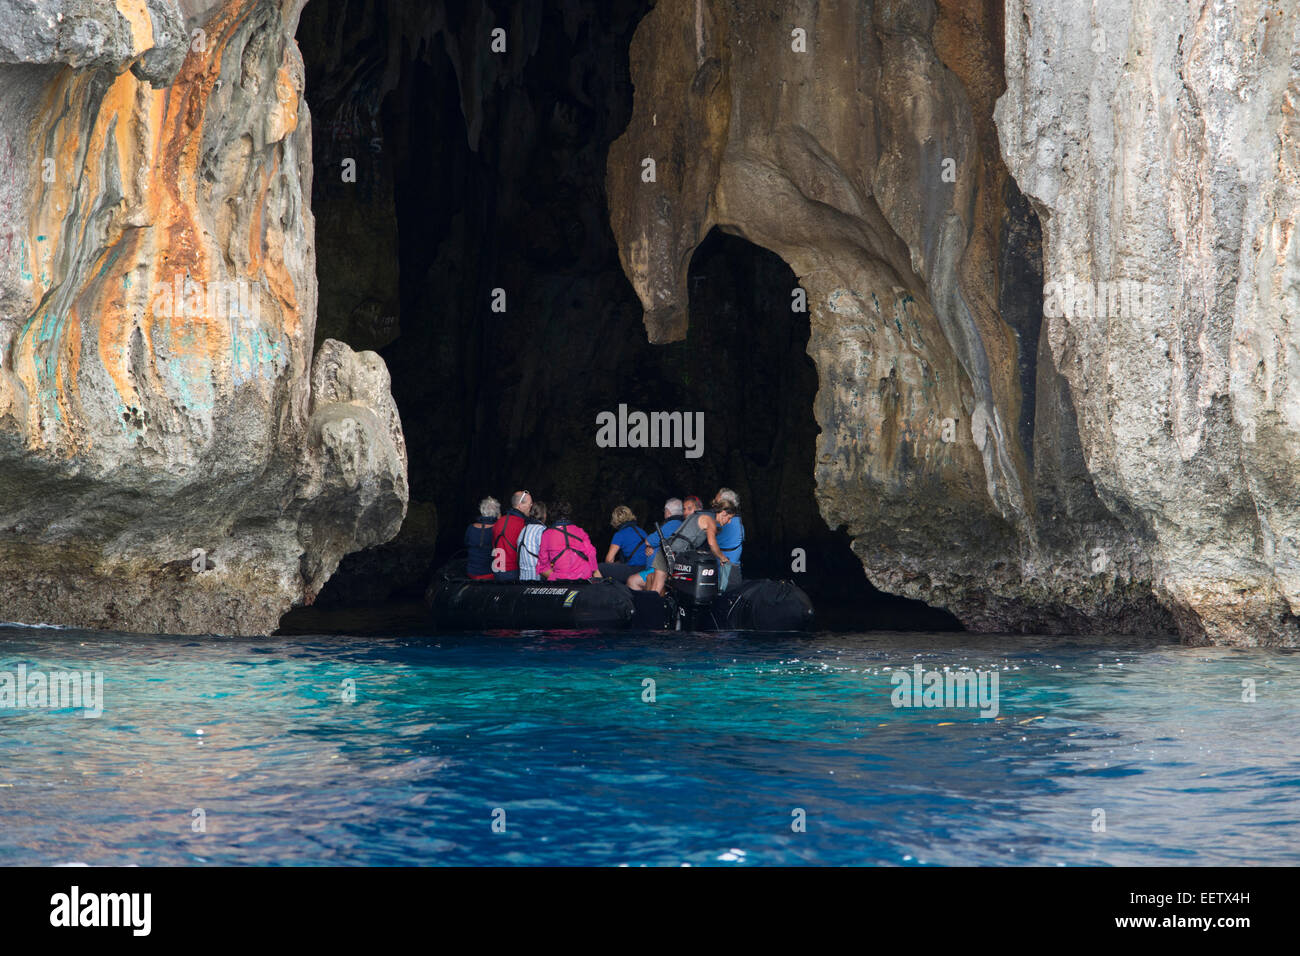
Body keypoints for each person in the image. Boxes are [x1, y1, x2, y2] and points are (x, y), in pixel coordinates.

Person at [648, 499, 728, 595]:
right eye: (730, 517)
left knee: (656, 588)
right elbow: (712, 543)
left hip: (666, 548)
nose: (729, 521)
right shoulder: (709, 519)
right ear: (723, 513)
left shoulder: (695, 516)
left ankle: (650, 607)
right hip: (675, 554)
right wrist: (723, 558)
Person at [538, 500, 600, 581]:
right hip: (584, 577)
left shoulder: (547, 535)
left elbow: (542, 566)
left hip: (561, 580)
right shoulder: (580, 531)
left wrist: (556, 577)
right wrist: (595, 572)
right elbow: (591, 553)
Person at [636, 498, 685, 589]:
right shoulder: (682, 523)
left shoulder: (672, 524)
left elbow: (648, 541)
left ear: (668, 512)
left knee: (632, 581)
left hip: (660, 569)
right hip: (664, 568)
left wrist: (650, 545)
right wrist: (651, 547)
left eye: (665, 511)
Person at [599, 505, 649, 583]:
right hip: (646, 569)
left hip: (634, 570)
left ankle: (603, 593)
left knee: (599, 568)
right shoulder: (642, 532)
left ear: (615, 520)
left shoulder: (620, 534)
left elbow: (609, 559)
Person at [490, 489, 532, 581]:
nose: (531, 507)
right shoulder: (522, 524)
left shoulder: (499, 521)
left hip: (496, 570)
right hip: (512, 572)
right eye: (530, 504)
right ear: (520, 505)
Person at [711, 495, 743, 591]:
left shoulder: (728, 521)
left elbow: (713, 543)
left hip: (728, 566)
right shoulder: (713, 520)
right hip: (729, 566)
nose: (729, 521)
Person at [464, 497, 499, 581]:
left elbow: (466, 544)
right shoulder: (497, 528)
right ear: (496, 512)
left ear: (481, 510)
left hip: (471, 572)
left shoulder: (471, 528)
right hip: (490, 573)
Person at [517, 501, 548, 581]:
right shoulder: (542, 530)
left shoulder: (523, 530)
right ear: (544, 515)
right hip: (536, 581)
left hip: (522, 579)